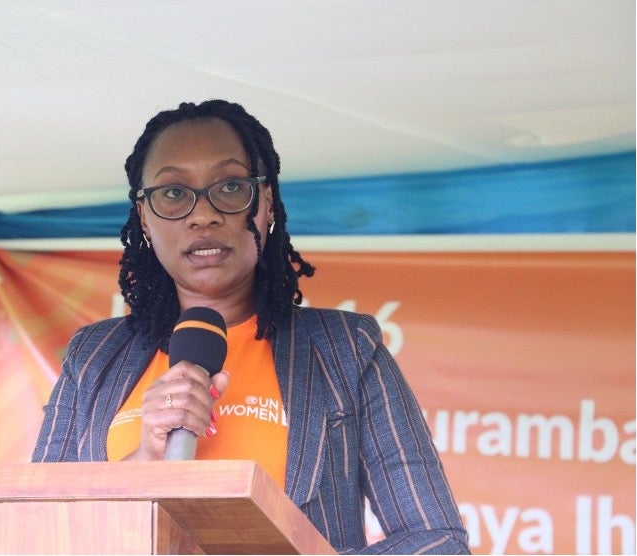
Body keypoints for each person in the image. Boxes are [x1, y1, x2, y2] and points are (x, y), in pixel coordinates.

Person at [32, 99, 469, 554]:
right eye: (174, 193)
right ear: (144, 215)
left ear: (266, 205)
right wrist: (144, 460)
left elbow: (436, 541)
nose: (203, 215)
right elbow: (38, 530)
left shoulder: (346, 351)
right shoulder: (95, 356)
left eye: (231, 186)